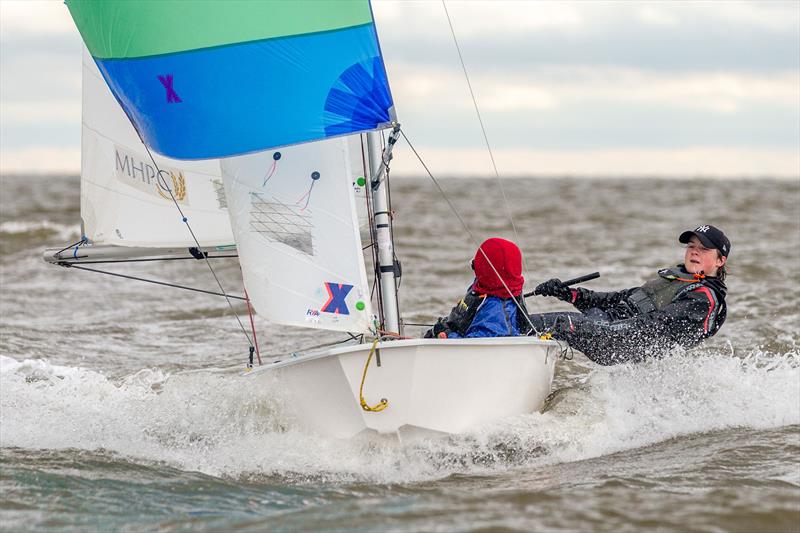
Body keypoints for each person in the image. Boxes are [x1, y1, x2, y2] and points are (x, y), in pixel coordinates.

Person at [529, 225, 729, 365]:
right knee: (536, 321)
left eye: (703, 249)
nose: (694, 252)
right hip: (611, 328)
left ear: (720, 260)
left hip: (625, 344)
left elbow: (656, 325)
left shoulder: (703, 298)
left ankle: (505, 334)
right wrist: (567, 293)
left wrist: (605, 329)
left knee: (560, 323)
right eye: (691, 246)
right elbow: (616, 300)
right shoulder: (676, 279)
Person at [425, 237, 529, 338]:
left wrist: (447, 334)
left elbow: (477, 344)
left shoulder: (495, 310)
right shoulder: (485, 286)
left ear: (487, 270)